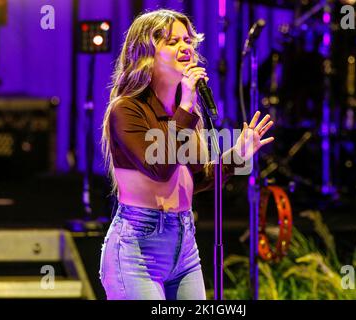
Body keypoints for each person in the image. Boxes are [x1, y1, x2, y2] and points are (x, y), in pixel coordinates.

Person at [99, 8, 274, 300]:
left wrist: (237, 154)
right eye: (172, 41)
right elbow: (160, 169)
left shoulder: (186, 112)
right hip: (138, 249)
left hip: (185, 246)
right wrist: (187, 106)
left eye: (188, 40)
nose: (185, 48)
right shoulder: (127, 110)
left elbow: (198, 178)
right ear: (146, 53)